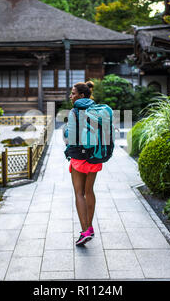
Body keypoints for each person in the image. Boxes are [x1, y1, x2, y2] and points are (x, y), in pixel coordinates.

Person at [64, 81, 102, 246]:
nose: (70, 96)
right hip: (94, 156)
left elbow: (69, 135)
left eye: (73, 93)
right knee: (89, 191)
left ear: (81, 95)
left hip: (79, 157)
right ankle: (89, 227)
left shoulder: (75, 111)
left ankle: (85, 230)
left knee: (79, 193)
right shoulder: (96, 109)